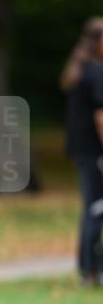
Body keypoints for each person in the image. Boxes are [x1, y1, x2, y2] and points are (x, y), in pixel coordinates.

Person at [61, 17, 103, 286]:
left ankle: (86, 268)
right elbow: (101, 116)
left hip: (80, 149)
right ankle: (91, 270)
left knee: (90, 207)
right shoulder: (97, 71)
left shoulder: (77, 69)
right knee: (97, 208)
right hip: (95, 150)